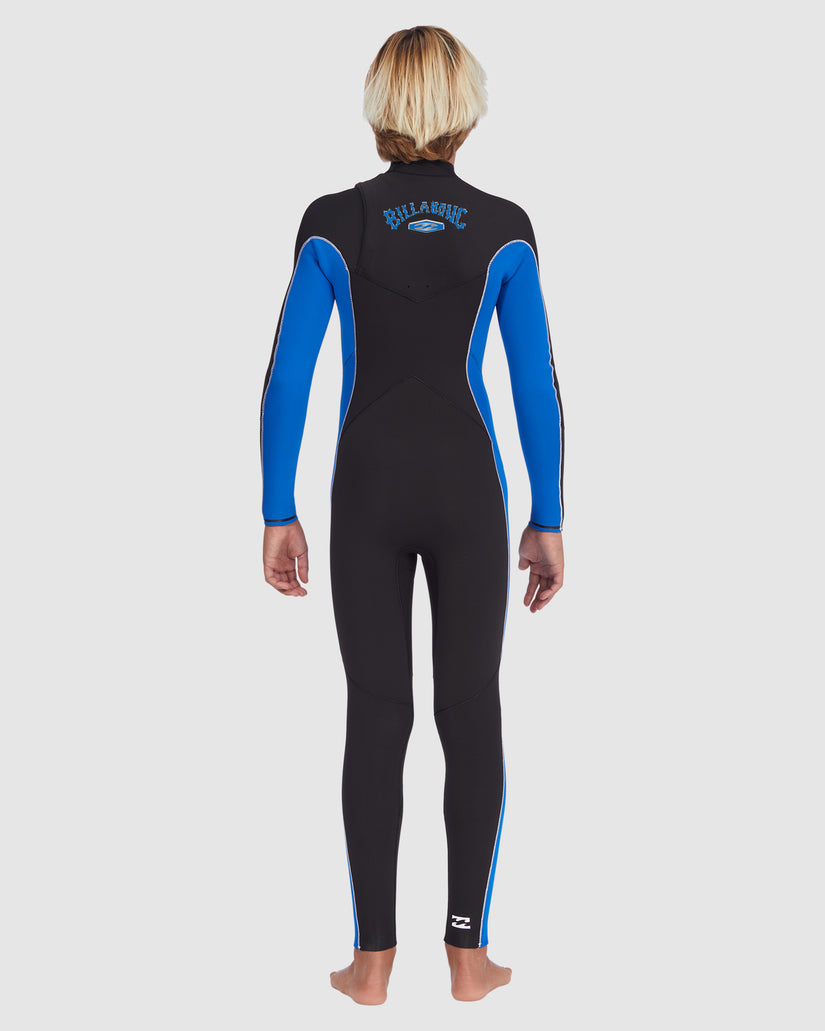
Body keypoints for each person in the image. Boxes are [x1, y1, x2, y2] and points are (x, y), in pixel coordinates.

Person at [259, 25, 565, 1004]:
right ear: (465, 107)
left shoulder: (333, 221)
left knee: (378, 710)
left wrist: (277, 507)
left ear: (379, 102)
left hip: (366, 491)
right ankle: (469, 960)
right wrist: (548, 514)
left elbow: (288, 377)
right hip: (471, 490)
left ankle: (371, 963)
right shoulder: (504, 227)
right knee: (470, 709)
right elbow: (534, 385)